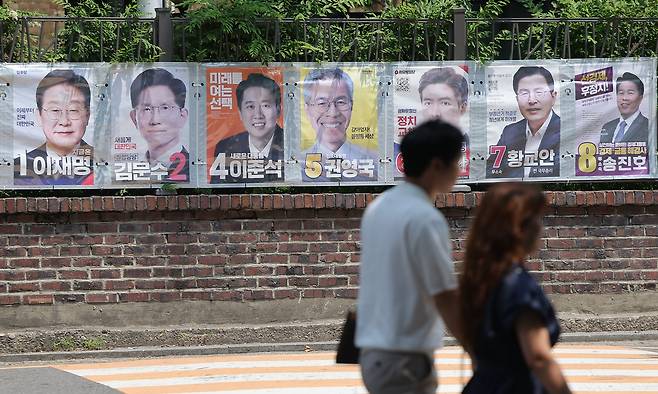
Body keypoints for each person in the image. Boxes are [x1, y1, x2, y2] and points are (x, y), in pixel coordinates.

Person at [357, 119, 467, 394]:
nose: (460, 169)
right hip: (404, 359)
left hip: (373, 353)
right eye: (457, 161)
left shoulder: (379, 207)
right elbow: (444, 295)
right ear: (437, 166)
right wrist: (477, 350)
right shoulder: (425, 218)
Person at [459, 183, 572, 394]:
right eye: (535, 220)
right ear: (517, 228)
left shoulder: (480, 278)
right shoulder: (519, 286)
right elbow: (538, 357)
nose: (540, 227)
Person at [14, 69, 94, 186]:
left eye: (73, 110)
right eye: (55, 110)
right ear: (39, 116)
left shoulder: (103, 164)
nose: (64, 121)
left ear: (87, 115)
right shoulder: (18, 167)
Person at [302, 68, 378, 181]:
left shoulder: (374, 161)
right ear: (307, 110)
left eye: (341, 102)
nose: (332, 113)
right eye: (322, 103)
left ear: (351, 105)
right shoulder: (298, 163)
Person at [487, 66, 560, 178]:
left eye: (539, 92)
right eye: (524, 93)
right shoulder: (510, 132)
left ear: (553, 97)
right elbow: (491, 169)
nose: (531, 100)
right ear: (517, 99)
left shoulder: (565, 129)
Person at [211, 73, 284, 183]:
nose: (258, 115)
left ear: (278, 109)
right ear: (240, 113)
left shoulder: (291, 145)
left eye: (265, 105)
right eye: (250, 106)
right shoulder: (225, 147)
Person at [129, 68, 189, 183]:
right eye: (146, 109)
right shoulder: (130, 172)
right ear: (134, 118)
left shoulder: (192, 168)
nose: (155, 120)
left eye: (165, 108)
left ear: (182, 115)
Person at [599, 72, 649, 144]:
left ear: (640, 98)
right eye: (621, 93)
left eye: (630, 93)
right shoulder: (607, 127)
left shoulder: (648, 126)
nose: (624, 98)